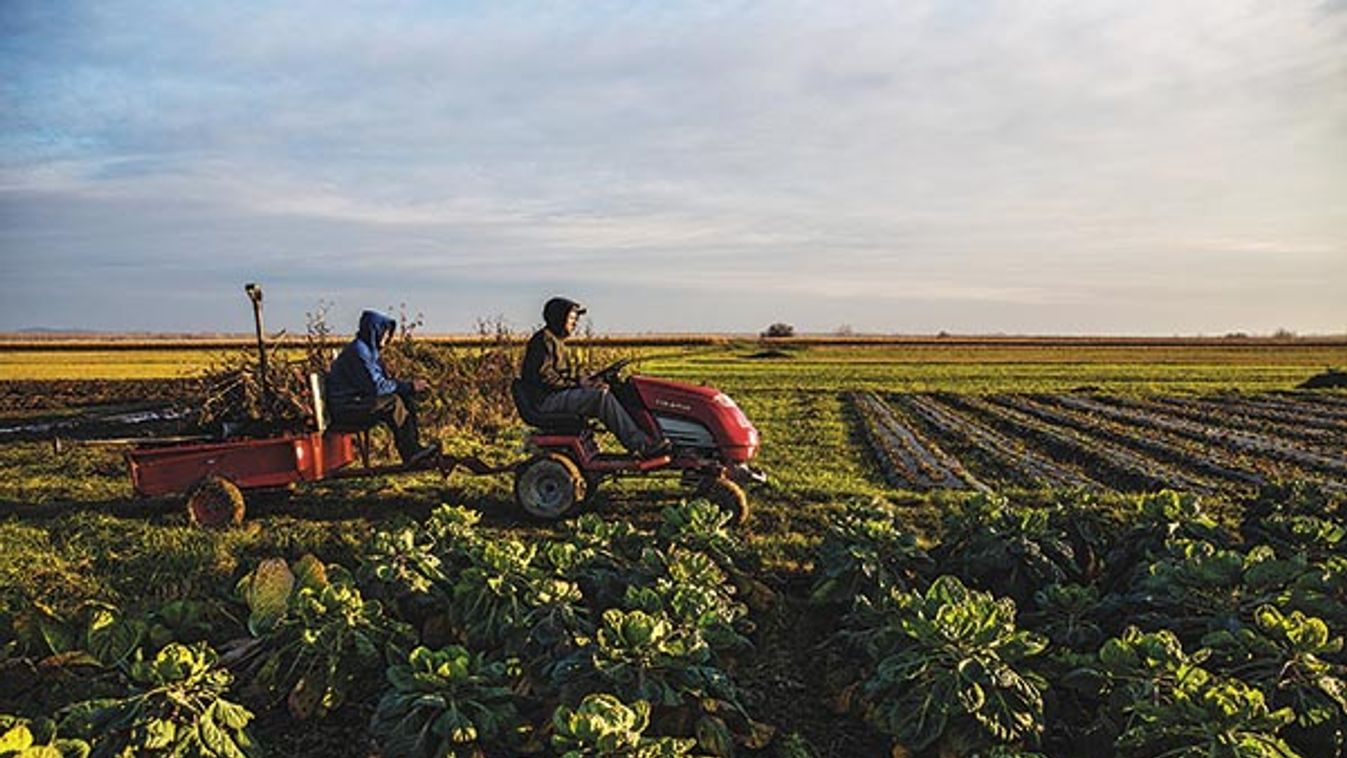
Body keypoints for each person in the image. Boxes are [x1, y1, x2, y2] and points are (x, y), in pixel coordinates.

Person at [519, 297, 670, 458]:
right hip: (545, 400)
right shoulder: (544, 340)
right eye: (571, 318)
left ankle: (648, 437)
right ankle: (643, 445)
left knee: (609, 389)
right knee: (600, 397)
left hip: (554, 395)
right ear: (558, 318)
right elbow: (546, 379)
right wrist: (579, 385)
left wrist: (587, 379)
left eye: (575, 319)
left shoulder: (556, 341)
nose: (575, 323)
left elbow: (565, 373)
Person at [326, 310, 440, 465]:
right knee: (393, 402)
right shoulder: (359, 352)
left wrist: (407, 388)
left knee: (404, 397)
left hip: (357, 402)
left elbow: (381, 383)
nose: (387, 337)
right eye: (385, 333)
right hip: (346, 408)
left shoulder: (369, 352)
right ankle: (411, 453)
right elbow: (376, 387)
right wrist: (409, 386)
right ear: (374, 331)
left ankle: (414, 450)